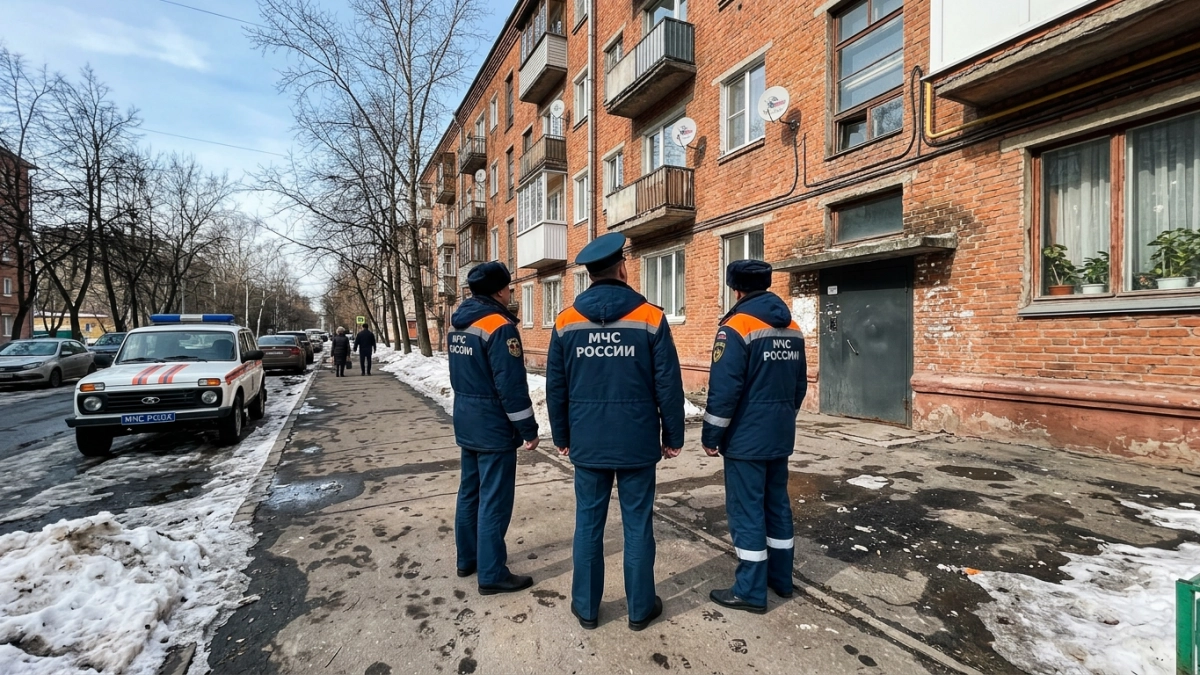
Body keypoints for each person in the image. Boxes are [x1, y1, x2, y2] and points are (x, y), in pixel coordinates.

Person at [546, 232, 685, 632]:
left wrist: (562, 436)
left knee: (588, 525)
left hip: (588, 442)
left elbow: (557, 386)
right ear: (622, 267)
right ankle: (640, 609)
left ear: (590, 274)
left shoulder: (566, 321)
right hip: (637, 442)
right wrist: (673, 436)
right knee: (638, 525)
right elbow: (668, 384)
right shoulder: (650, 317)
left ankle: (587, 608)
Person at [702, 260, 808, 614]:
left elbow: (724, 390)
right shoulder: (792, 326)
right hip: (779, 434)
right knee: (776, 505)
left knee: (746, 510)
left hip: (746, 438)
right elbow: (799, 386)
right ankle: (781, 579)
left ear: (736, 289)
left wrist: (712, 435)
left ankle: (749, 590)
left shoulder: (736, 327)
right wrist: (782, 418)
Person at [448, 261, 540, 595]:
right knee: (494, 500)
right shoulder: (499, 326)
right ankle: (492, 573)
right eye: (509, 288)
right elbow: (511, 386)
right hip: (492, 426)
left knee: (469, 492)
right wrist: (528, 429)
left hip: (466, 418)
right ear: (501, 290)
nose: (510, 293)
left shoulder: (458, 323)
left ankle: (467, 559)